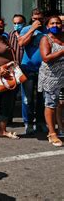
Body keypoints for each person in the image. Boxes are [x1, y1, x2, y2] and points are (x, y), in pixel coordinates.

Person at [18, 8, 46, 134]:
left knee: (43, 98)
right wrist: (32, 29)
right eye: (35, 19)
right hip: (28, 68)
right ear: (31, 18)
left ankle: (40, 122)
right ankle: (28, 122)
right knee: (28, 98)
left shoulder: (47, 30)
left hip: (44, 70)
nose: (38, 21)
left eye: (40, 19)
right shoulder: (26, 29)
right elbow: (21, 43)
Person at [38, 15, 63, 147]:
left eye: (58, 23)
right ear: (47, 26)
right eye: (52, 23)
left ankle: (61, 128)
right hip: (50, 78)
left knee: (61, 103)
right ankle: (52, 133)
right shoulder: (45, 39)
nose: (55, 25)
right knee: (51, 104)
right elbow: (46, 57)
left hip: (63, 78)